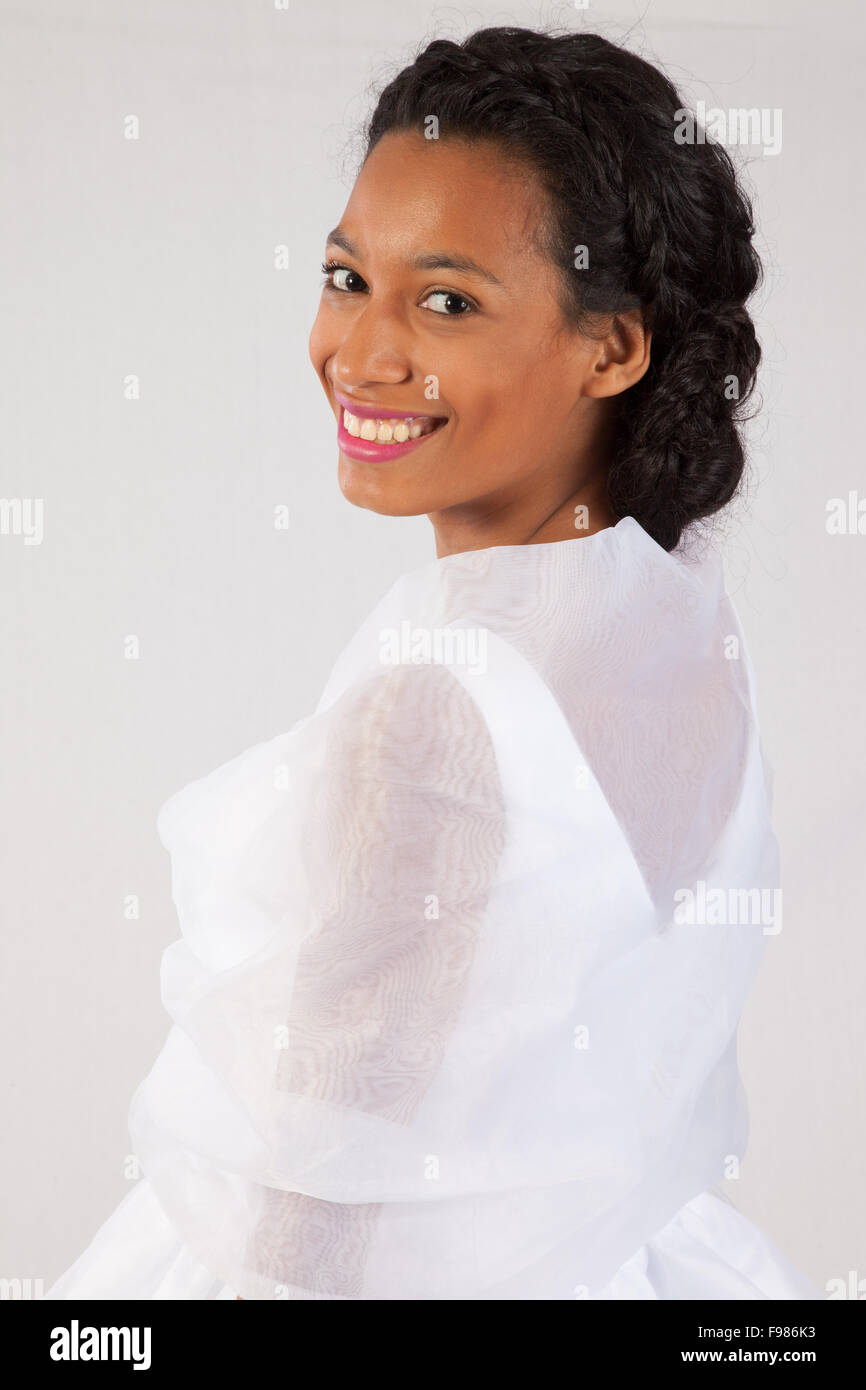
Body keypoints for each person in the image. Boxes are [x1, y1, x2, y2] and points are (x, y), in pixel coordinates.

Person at [44, 26, 820, 1301]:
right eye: (348, 278)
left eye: (446, 301)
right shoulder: (677, 623)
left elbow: (313, 1211)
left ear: (611, 348)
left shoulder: (439, 708)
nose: (361, 354)